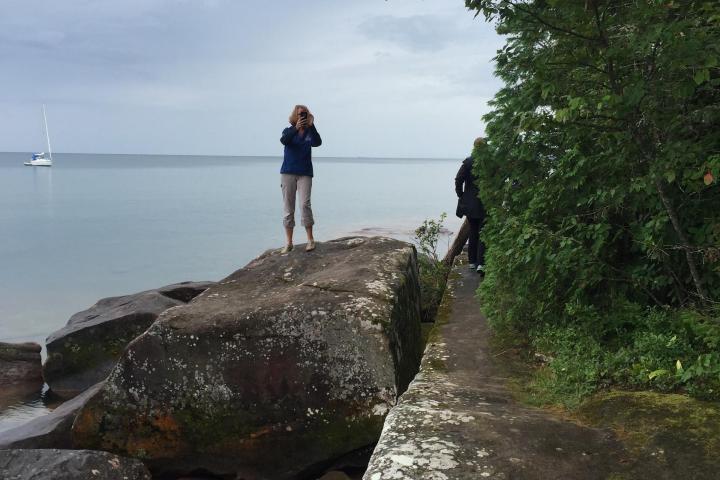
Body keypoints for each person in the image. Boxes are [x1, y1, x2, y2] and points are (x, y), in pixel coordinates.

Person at [279, 105, 322, 253]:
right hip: (288, 172)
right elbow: (284, 140)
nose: (302, 116)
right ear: (295, 116)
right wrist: (296, 128)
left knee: (305, 204)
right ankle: (289, 243)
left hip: (305, 173)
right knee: (288, 207)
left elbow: (318, 143)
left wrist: (312, 125)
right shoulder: (288, 130)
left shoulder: (310, 132)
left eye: (305, 114)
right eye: (300, 114)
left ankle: (310, 240)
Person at [455, 137, 487, 273]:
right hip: (486, 202)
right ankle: (481, 263)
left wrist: (461, 194)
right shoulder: (490, 163)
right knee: (483, 232)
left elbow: (458, 179)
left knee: (473, 232)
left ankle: (472, 262)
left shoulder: (468, 162)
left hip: (470, 204)